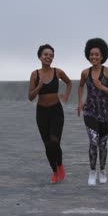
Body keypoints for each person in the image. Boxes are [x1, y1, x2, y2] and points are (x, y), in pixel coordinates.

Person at [28, 44, 72, 184]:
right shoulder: (35, 74)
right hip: (41, 112)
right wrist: (39, 87)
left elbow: (69, 82)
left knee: (54, 141)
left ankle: (60, 164)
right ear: (40, 56)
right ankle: (54, 171)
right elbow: (30, 97)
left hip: (56, 111)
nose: (49, 57)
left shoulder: (57, 72)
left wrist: (66, 95)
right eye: (46, 54)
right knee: (47, 144)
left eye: (51, 55)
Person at [77, 38, 108, 186]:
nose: (93, 57)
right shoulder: (84, 73)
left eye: (97, 54)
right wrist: (80, 101)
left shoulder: (107, 72)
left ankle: (103, 170)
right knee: (93, 142)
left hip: (106, 112)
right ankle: (92, 172)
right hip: (90, 112)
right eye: (91, 54)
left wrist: (101, 87)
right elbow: (81, 86)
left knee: (102, 144)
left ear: (102, 56)